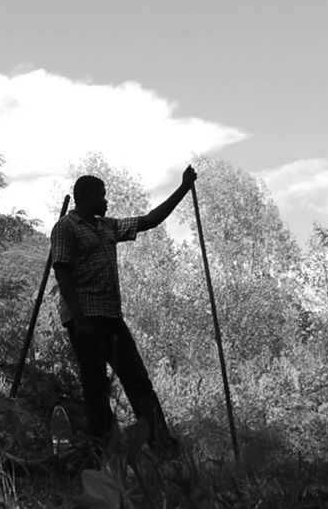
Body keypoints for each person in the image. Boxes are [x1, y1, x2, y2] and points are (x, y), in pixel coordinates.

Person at [50, 165, 197, 454]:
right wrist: (80, 321)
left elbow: (151, 220)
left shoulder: (107, 227)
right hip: (85, 320)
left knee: (138, 380)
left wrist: (182, 188)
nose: (106, 202)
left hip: (111, 317)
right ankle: (103, 447)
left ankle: (161, 443)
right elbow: (63, 274)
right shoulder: (66, 228)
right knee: (95, 385)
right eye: (102, 196)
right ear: (87, 197)